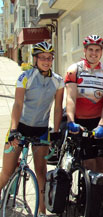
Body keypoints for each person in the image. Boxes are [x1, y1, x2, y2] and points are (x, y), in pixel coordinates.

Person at [0, 41, 64, 216]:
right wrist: (14, 130)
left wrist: (56, 132)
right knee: (6, 172)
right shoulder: (25, 77)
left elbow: (58, 108)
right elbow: (18, 104)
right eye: (42, 57)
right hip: (19, 128)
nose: (46, 61)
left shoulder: (58, 81)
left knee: (41, 172)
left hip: (41, 131)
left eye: (49, 58)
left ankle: (41, 211)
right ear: (35, 59)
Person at [65, 35, 103, 174]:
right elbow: (71, 98)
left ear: (102, 52)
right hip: (80, 121)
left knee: (100, 163)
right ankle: (86, 194)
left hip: (99, 120)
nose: (94, 53)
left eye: (97, 50)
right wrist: (70, 120)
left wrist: (101, 125)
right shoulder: (74, 70)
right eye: (90, 49)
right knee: (89, 163)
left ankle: (99, 193)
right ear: (84, 51)